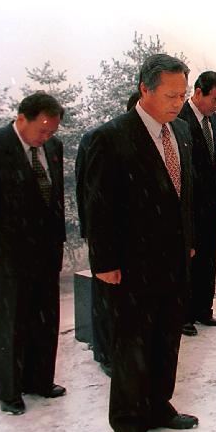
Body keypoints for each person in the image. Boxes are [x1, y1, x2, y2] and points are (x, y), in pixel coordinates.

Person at [85, 54, 198, 432]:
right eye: (170, 94)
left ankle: (158, 405)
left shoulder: (182, 132)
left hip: (173, 260)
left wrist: (189, 240)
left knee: (167, 339)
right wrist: (105, 262)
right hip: (130, 264)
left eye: (183, 95)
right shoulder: (111, 137)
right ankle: (129, 421)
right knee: (131, 345)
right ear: (144, 88)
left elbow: (185, 194)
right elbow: (98, 206)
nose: (178, 103)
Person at [0, 92, 67, 416]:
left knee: (45, 319)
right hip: (7, 253)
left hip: (46, 252)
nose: (47, 137)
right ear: (22, 118)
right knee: (10, 323)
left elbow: (55, 199)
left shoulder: (53, 147)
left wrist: (59, 241)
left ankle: (39, 380)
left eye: (52, 132)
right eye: (42, 131)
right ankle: (9, 391)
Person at [75, 91, 140, 377]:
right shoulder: (100, 139)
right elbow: (86, 191)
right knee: (105, 296)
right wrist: (91, 233)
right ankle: (104, 351)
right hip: (106, 234)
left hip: (133, 238)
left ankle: (123, 348)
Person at [178, 71, 216, 336]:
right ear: (198, 93)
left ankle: (203, 309)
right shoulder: (179, 119)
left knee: (208, 257)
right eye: (214, 99)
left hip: (211, 203)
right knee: (189, 258)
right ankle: (184, 314)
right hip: (189, 205)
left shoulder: (215, 121)